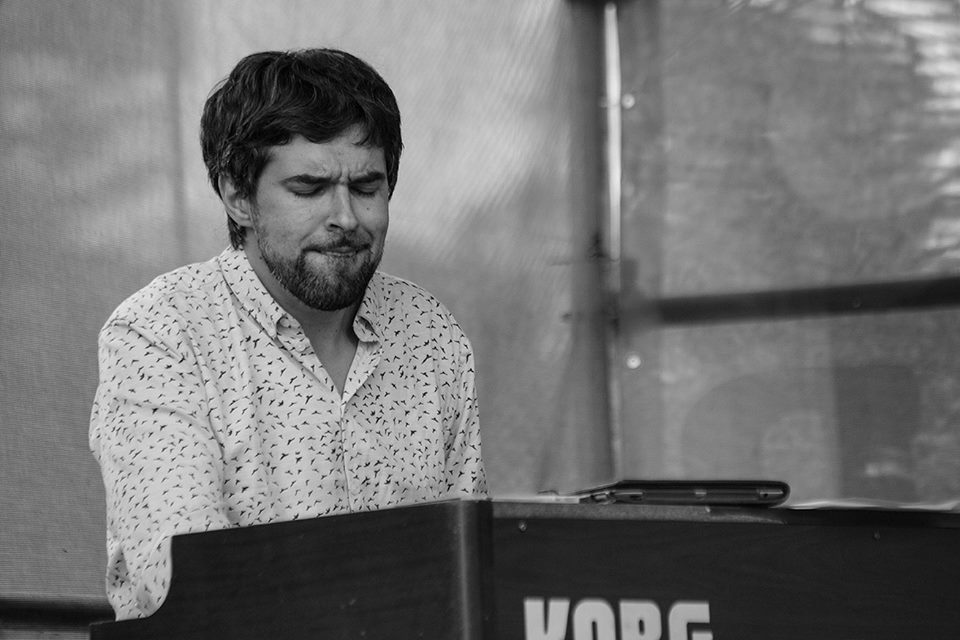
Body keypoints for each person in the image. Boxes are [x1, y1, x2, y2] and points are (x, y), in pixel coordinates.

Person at [89, 48, 487, 620]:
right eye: (309, 188)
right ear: (237, 195)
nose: (345, 217)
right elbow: (180, 577)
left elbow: (471, 564)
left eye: (366, 187)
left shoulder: (431, 334)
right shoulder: (163, 331)